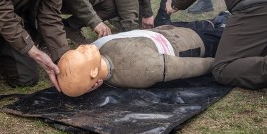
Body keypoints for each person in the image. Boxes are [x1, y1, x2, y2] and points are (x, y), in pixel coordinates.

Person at [57, 13, 230, 97]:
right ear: (93, 73)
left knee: (204, 24)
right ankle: (224, 25)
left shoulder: (96, 48)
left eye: (77, 50)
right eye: (81, 54)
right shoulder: (141, 68)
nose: (81, 47)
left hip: (162, 31)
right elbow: (185, 67)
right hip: (185, 43)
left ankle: (218, 21)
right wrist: (218, 65)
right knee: (221, 34)